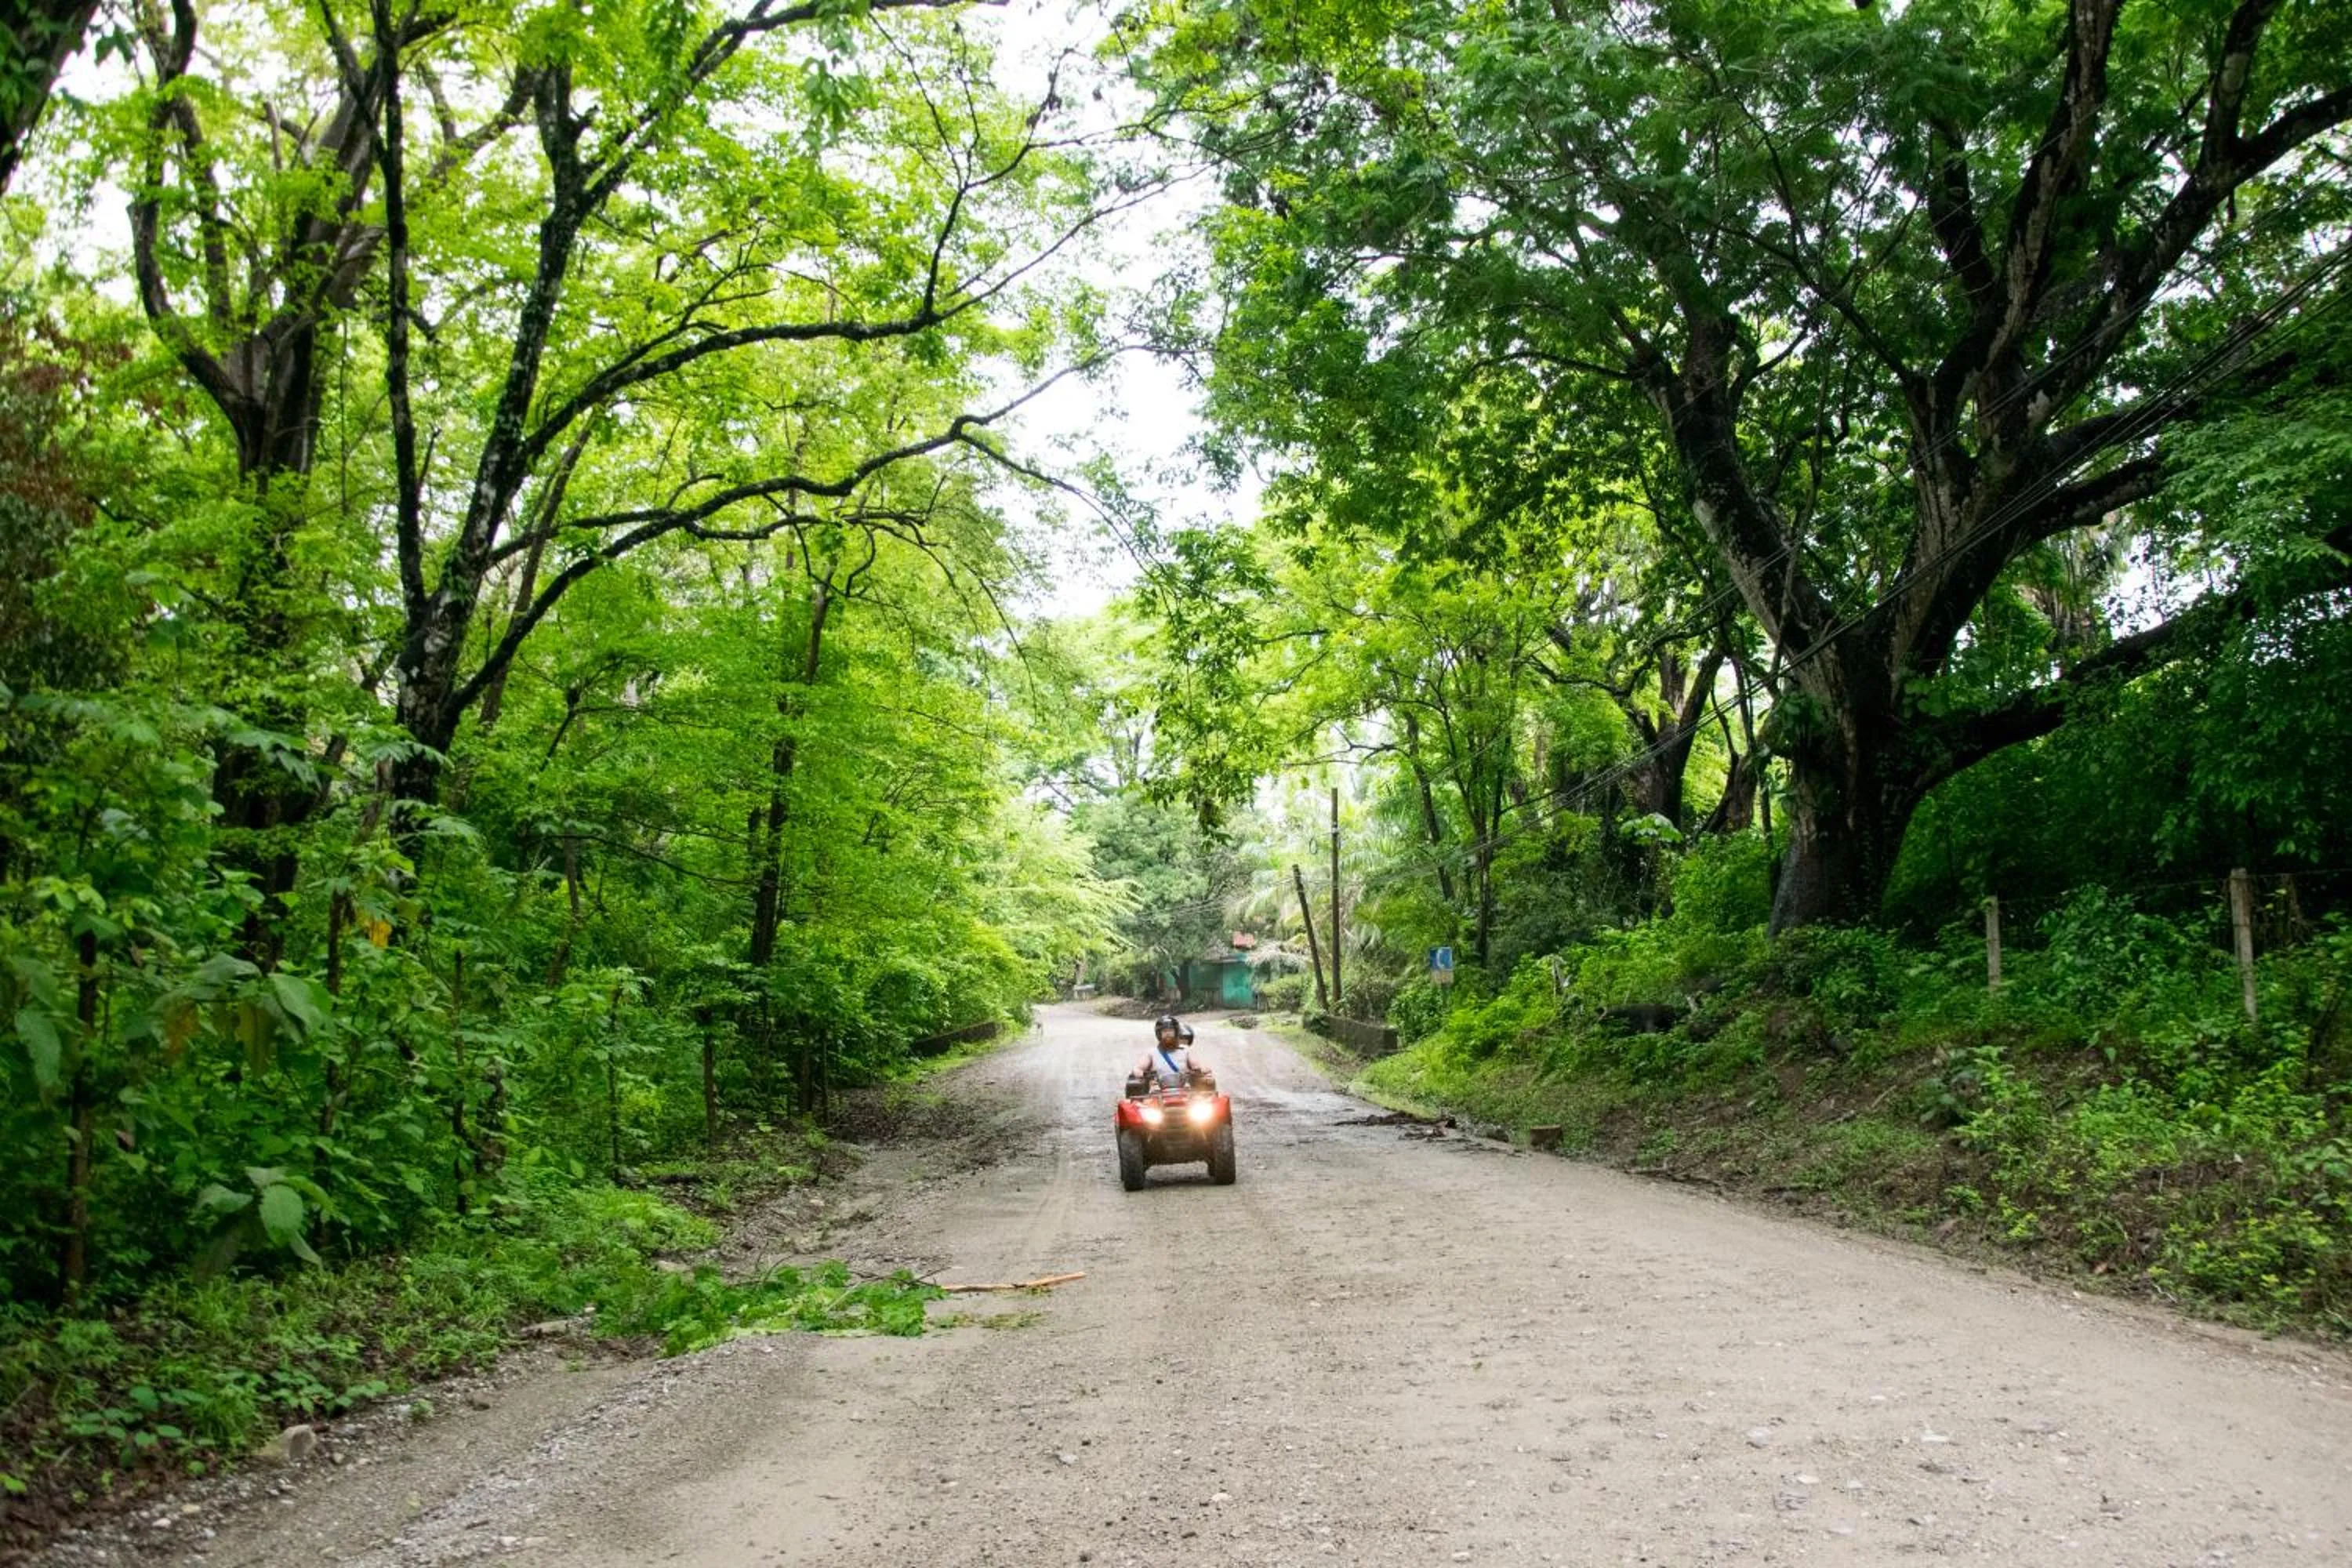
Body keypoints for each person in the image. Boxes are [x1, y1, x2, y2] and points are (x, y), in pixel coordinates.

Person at [1137, 1013, 1200, 1090]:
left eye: (1170, 1030)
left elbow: (1197, 1066)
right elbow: (1138, 1069)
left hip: (1185, 1091)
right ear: (1159, 1034)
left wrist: (1202, 1069)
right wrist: (1143, 1075)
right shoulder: (1152, 1052)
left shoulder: (1186, 1050)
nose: (1168, 1034)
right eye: (1165, 1031)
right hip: (1157, 1093)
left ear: (1176, 1033)